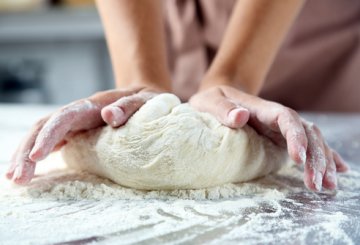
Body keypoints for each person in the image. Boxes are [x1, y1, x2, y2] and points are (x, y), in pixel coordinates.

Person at [6, 0, 352, 192]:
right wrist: (142, 77)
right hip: (165, 22)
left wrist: (235, 77)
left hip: (305, 40)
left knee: (287, 138)